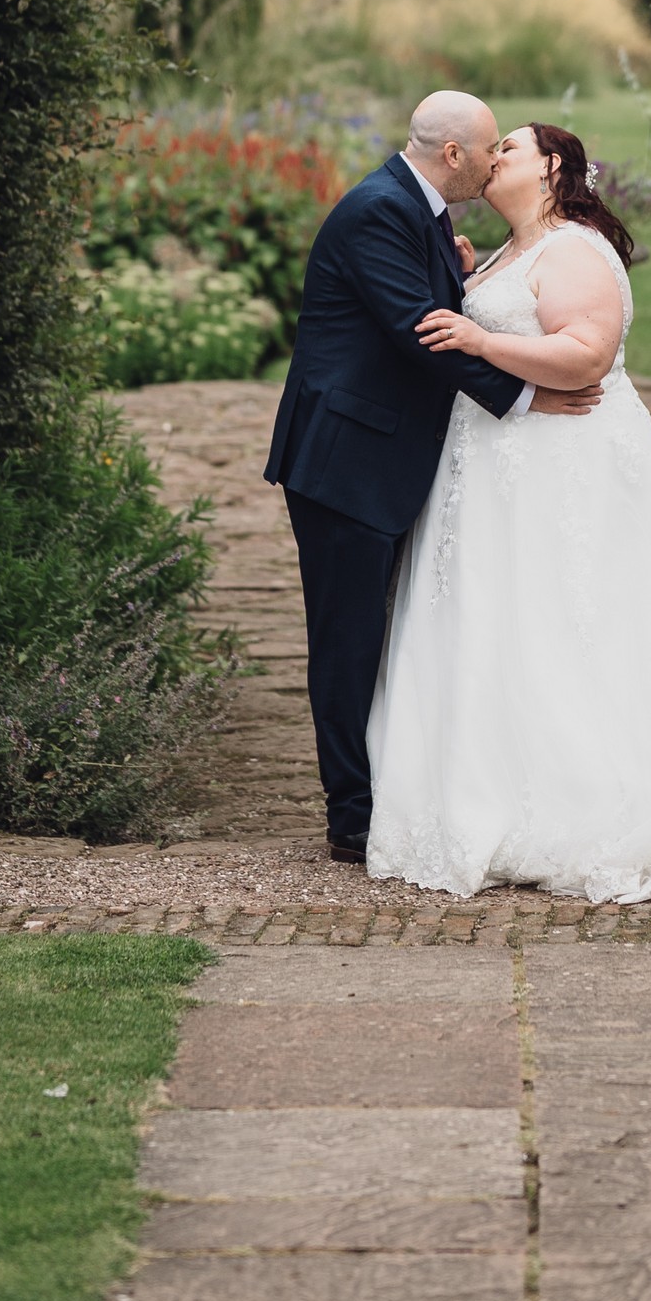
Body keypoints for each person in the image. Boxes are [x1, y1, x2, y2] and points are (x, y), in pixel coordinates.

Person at [364, 120, 651, 901]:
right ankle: (496, 789)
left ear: (552, 167)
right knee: (504, 623)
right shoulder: (508, 252)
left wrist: (480, 344)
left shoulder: (577, 247)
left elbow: (585, 354)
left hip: (563, 468)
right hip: (496, 470)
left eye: (509, 149)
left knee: (569, 620)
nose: (493, 162)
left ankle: (584, 800)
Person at [265, 92, 602, 864]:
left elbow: (426, 306)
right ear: (454, 154)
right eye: (487, 153)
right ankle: (352, 816)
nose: (491, 168)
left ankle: (389, 790)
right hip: (345, 459)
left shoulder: (416, 210)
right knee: (348, 642)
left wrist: (458, 277)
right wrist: (527, 396)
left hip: (380, 454)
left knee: (382, 636)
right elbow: (421, 335)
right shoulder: (378, 210)